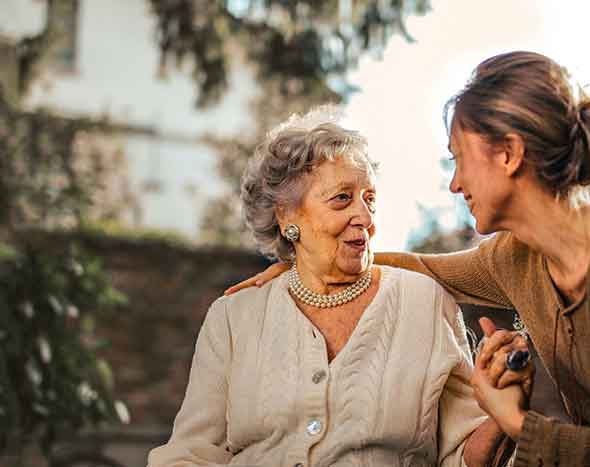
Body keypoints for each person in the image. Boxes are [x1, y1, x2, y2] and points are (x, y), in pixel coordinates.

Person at [225, 52, 590, 466]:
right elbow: (424, 268)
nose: (455, 184)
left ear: (509, 154)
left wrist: (515, 421)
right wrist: (307, 263)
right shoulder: (519, 257)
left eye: (459, 158)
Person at [148, 107, 531, 467]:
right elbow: (191, 453)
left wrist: (503, 415)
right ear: (286, 216)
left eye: (370, 200)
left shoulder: (424, 302)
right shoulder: (234, 317)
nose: (364, 217)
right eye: (342, 199)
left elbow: (462, 455)